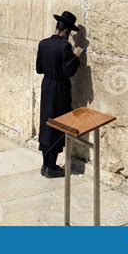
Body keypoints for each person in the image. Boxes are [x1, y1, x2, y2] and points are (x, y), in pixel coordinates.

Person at [36, 11, 83, 178]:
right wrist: (76, 57)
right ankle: (51, 167)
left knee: (46, 123)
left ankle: (45, 165)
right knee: (57, 125)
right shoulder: (64, 47)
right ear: (67, 32)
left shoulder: (43, 44)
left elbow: (39, 69)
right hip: (60, 89)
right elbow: (68, 71)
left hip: (47, 86)